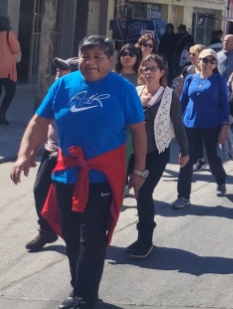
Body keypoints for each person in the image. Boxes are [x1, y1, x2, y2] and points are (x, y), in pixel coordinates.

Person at [10, 35, 146, 309]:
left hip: (104, 175)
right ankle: (79, 289)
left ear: (111, 61)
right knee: (71, 235)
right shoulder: (63, 85)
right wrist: (24, 153)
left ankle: (85, 296)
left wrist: (139, 171)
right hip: (67, 173)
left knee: (92, 237)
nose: (91, 62)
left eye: (98, 57)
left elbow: (138, 131)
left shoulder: (123, 89)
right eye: (86, 56)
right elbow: (39, 120)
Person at [130, 54, 189, 258]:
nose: (149, 72)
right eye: (145, 69)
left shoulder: (169, 95)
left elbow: (178, 124)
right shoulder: (135, 92)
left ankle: (145, 241)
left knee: (144, 193)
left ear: (162, 72)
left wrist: (185, 151)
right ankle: (137, 239)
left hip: (157, 153)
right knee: (126, 192)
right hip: (134, 152)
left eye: (153, 68)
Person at [24, 57, 79, 252]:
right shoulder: (55, 92)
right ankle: (46, 230)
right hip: (51, 153)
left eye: (63, 69)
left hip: (75, 159)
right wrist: (32, 150)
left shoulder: (84, 97)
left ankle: (84, 236)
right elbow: (42, 123)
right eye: (57, 68)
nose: (58, 71)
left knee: (74, 200)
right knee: (40, 190)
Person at [173, 49, 230, 209]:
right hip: (189, 124)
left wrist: (224, 126)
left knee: (212, 157)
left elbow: (224, 105)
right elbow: (183, 102)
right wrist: (176, 124)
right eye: (205, 60)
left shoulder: (219, 80)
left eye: (212, 61)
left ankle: (221, 179)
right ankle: (183, 196)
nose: (208, 63)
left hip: (211, 124)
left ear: (215, 65)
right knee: (186, 159)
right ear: (199, 61)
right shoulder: (190, 78)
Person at [0, 15, 22, 125]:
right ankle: (2, 113)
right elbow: (16, 49)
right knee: (10, 91)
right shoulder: (9, 34)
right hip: (6, 69)